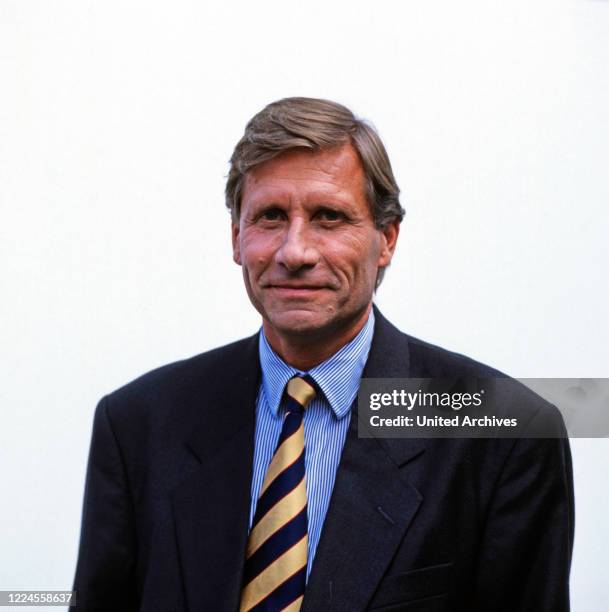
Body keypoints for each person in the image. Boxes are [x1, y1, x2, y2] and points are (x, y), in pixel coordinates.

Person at [71, 97, 574, 611]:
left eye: (328, 217)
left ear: (387, 239)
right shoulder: (138, 424)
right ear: (236, 238)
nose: (295, 252)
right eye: (269, 217)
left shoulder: (506, 432)